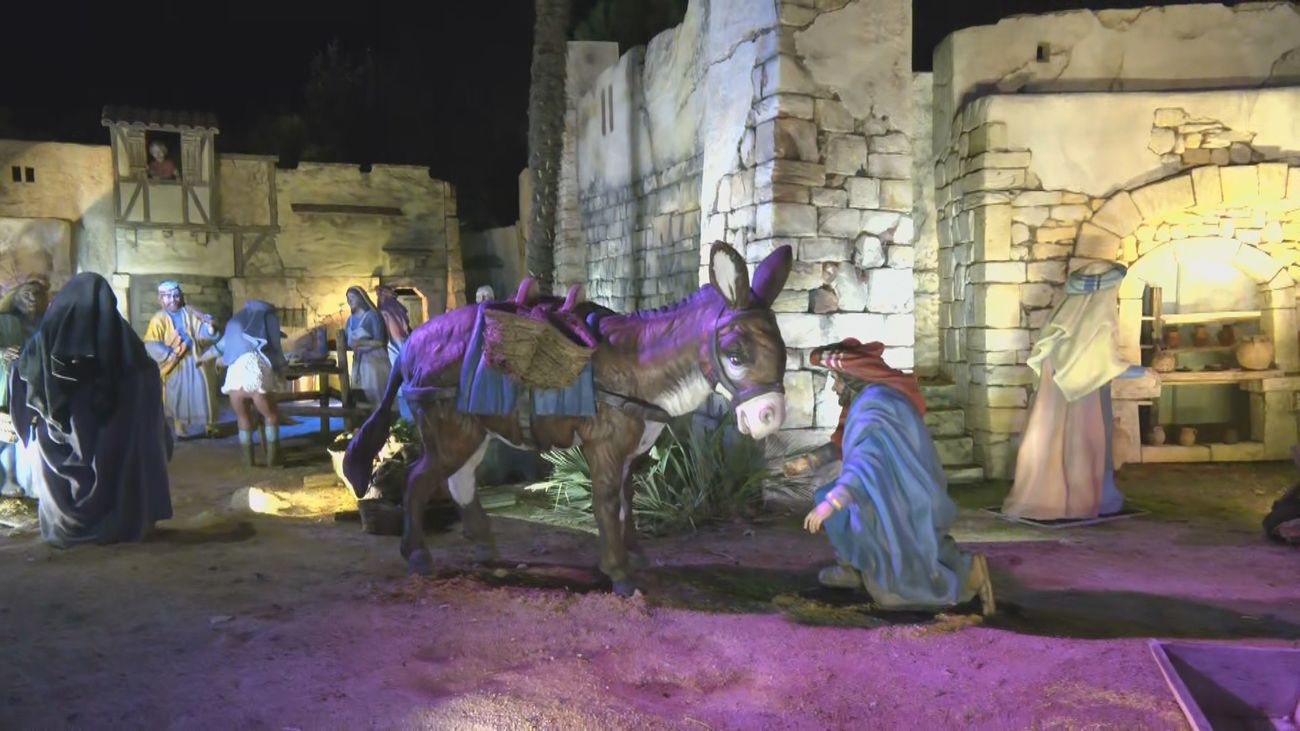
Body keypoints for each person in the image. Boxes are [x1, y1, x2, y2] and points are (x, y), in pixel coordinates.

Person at [802, 338, 995, 615]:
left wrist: (833, 502)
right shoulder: (869, 401)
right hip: (886, 489)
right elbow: (844, 446)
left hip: (902, 497)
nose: (834, 387)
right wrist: (809, 462)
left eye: (837, 380)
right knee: (826, 494)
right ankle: (852, 568)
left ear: (851, 379)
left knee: (893, 596)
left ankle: (969, 576)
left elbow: (866, 464)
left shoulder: (874, 407)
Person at [10, 273, 172, 546]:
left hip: (60, 435)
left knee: (49, 447)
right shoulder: (124, 345)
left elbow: (24, 377)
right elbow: (145, 379)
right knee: (116, 454)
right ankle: (118, 519)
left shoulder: (43, 342)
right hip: (112, 438)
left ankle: (65, 525)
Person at [1003, 260, 1134, 520]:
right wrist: (1143, 371)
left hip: (1058, 406)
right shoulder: (1096, 324)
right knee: (1085, 447)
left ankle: (1074, 497)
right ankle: (1083, 500)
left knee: (1056, 448)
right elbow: (1104, 362)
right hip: (1083, 403)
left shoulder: (1060, 323)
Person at [200, 300, 287, 467]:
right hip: (256, 370)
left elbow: (220, 347)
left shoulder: (236, 322)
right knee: (271, 415)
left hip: (235, 374)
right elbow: (276, 347)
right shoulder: (268, 317)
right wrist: (282, 368)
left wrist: (201, 359)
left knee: (243, 417)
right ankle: (273, 459)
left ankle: (248, 461)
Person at [144, 280, 219, 438]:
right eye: (168, 297)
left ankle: (209, 425)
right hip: (175, 364)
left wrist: (210, 329)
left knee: (202, 393)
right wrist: (169, 354)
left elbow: (202, 334)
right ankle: (180, 428)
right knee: (178, 397)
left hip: (195, 361)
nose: (173, 300)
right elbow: (151, 343)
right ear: (161, 299)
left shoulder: (190, 313)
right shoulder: (159, 318)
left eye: (176, 296)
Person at [0, 275, 50, 497]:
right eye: (26, 294)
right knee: (7, 431)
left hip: (36, 385)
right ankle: (8, 480)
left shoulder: (47, 321)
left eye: (36, 294)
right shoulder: (4, 320)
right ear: (15, 297)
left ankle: (32, 485)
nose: (32, 298)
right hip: (7, 384)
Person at [343, 286, 390, 406]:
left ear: (360, 298)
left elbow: (380, 341)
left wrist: (361, 343)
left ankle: (381, 422)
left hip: (374, 361)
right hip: (358, 362)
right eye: (348, 298)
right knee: (361, 397)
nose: (350, 301)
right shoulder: (350, 320)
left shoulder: (373, 316)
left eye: (352, 297)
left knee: (376, 396)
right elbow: (346, 339)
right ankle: (362, 423)